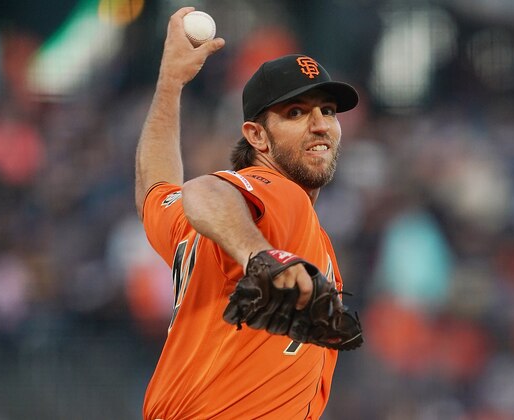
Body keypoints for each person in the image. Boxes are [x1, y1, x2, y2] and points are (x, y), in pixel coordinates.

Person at [135, 7, 359, 420]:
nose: (321, 125)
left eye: (327, 111)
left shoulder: (197, 229)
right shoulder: (279, 196)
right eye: (296, 113)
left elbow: (156, 189)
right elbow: (206, 188)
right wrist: (259, 254)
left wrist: (169, 84)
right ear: (257, 136)